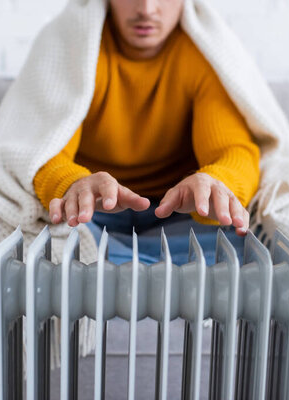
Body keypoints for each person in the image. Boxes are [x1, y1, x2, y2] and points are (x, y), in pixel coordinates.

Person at [34, 0, 260, 265]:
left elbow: (234, 150)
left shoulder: (206, 55)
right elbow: (41, 150)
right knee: (37, 228)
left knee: (246, 239)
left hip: (180, 214)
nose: (147, 8)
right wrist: (73, 184)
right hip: (93, 213)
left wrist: (214, 183)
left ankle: (120, 268)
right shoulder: (72, 48)